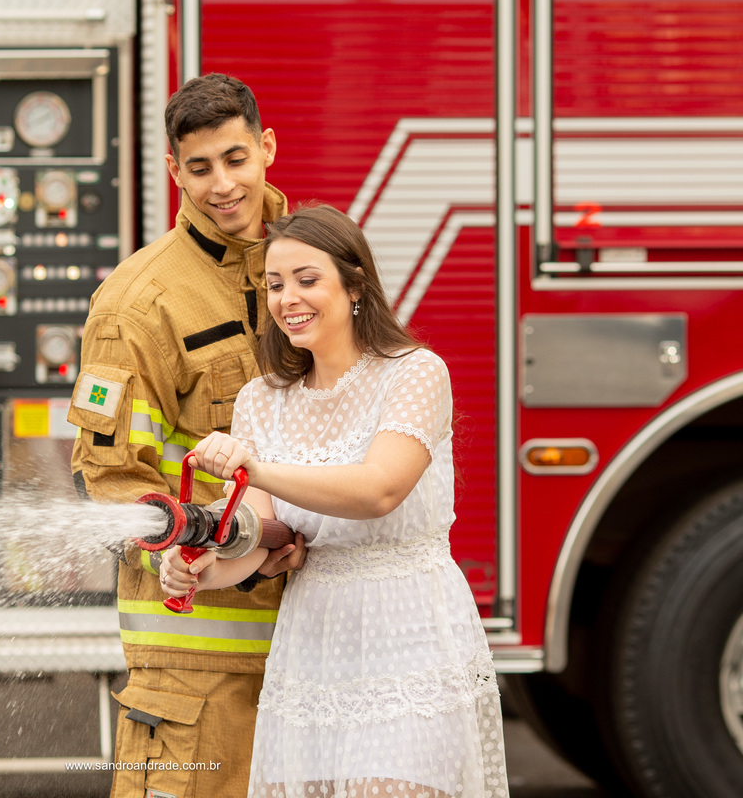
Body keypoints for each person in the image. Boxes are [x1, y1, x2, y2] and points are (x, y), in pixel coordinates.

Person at [159, 204, 510, 798]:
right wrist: (202, 569)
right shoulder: (259, 400)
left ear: (355, 286)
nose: (287, 298)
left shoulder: (415, 373)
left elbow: (379, 490)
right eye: (274, 284)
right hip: (313, 647)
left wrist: (256, 469)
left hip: (410, 634)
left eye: (306, 279)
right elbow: (261, 540)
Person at [68, 73, 306, 798]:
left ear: (266, 147)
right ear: (174, 170)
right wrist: (190, 542)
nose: (222, 184)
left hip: (315, 646)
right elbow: (108, 477)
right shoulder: (138, 305)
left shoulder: (311, 270)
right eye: (200, 167)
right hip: (198, 660)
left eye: (235, 158)